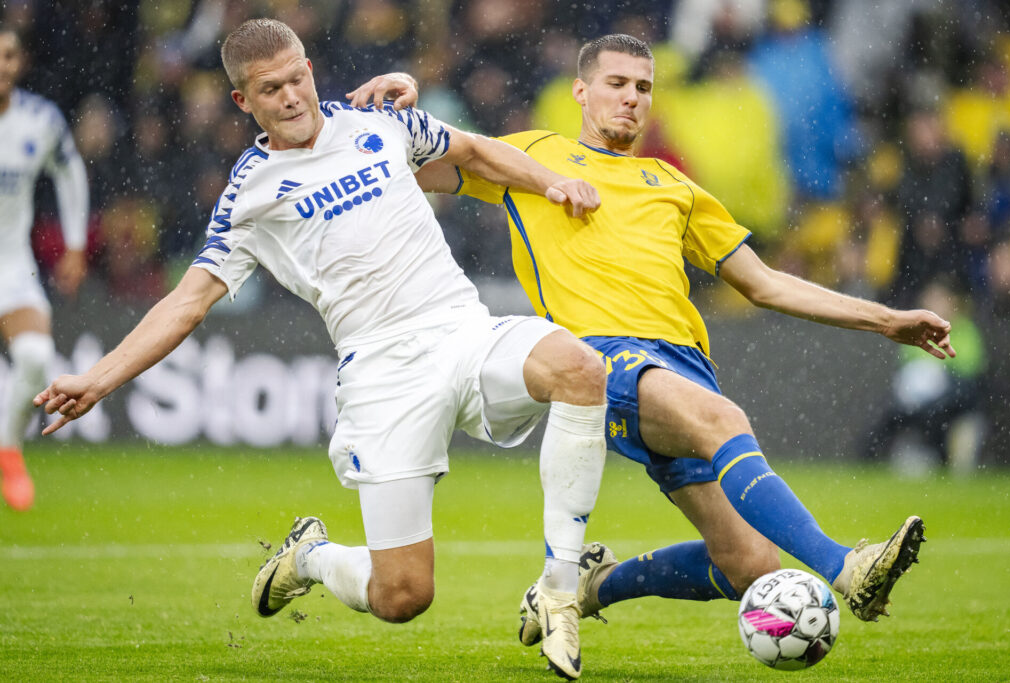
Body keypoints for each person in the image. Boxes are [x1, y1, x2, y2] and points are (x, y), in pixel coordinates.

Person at [33, 19, 608, 680]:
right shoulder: (249, 193)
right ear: (243, 102)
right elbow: (188, 301)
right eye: (270, 88)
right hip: (383, 376)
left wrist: (550, 183)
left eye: (297, 77)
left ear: (310, 68)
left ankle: (560, 589)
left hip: (463, 329)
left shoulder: (377, 122)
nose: (291, 96)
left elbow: (474, 151)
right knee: (402, 596)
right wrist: (100, 378)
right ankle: (309, 556)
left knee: (579, 367)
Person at [351, 33, 951, 637]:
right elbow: (406, 169)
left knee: (748, 563)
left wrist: (887, 320)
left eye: (643, 87)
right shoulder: (533, 156)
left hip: (685, 368)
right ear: (580, 92)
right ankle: (847, 567)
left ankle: (595, 584)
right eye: (616, 84)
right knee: (724, 423)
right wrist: (394, 112)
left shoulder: (675, 185)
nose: (632, 99)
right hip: (603, 361)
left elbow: (765, 284)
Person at [0, 24, 88, 511]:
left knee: (35, 357)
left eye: (9, 55)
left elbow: (70, 171)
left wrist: (75, 246)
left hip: (10, 264)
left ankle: (8, 447)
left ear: (19, 62)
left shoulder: (40, 120)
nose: (1, 65)